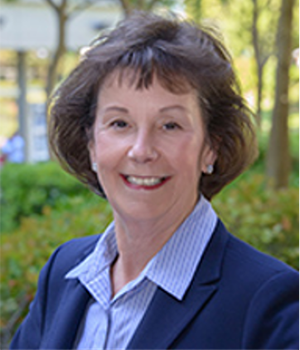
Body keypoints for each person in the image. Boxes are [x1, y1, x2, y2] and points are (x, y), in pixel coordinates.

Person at [10, 12, 300, 350]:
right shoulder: (62, 272)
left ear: (211, 147)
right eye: (120, 123)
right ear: (90, 143)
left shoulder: (269, 303)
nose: (141, 150)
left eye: (170, 125)